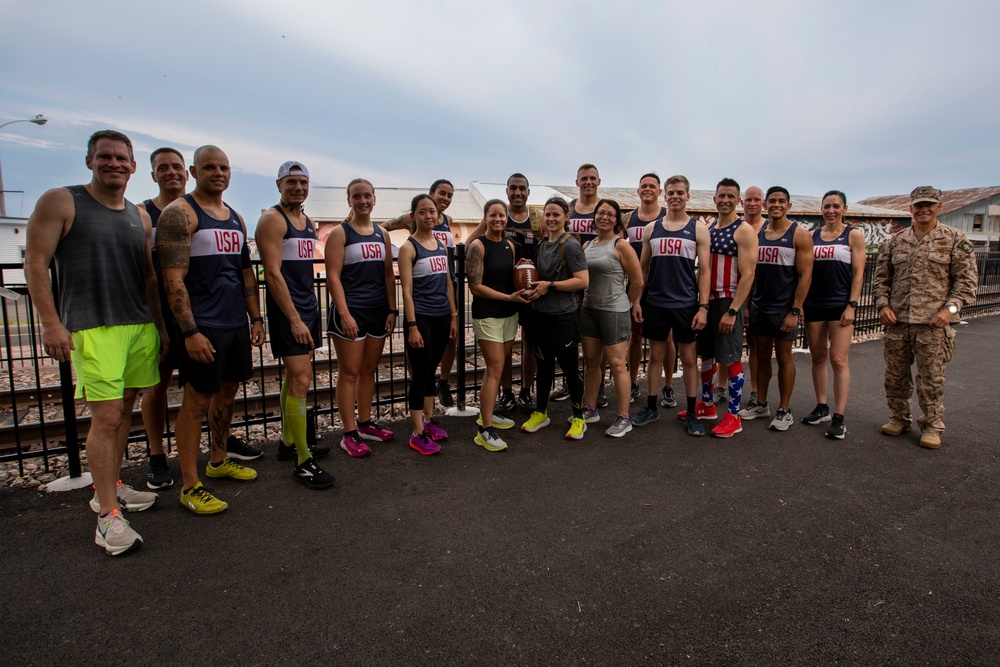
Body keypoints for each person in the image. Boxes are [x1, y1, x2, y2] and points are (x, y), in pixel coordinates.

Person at [25, 130, 163, 555]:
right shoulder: (62, 201)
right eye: (105, 157)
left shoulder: (138, 217)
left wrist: (160, 327)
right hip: (91, 327)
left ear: (133, 166)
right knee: (105, 419)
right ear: (90, 161)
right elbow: (35, 262)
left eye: (122, 158)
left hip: (137, 326)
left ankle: (113, 487)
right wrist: (51, 324)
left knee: (123, 413)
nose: (115, 164)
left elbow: (147, 276)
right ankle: (107, 517)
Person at [156, 145, 265, 515]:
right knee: (196, 400)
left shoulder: (235, 217)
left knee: (228, 391)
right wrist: (189, 332)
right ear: (193, 171)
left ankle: (218, 459)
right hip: (204, 326)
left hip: (235, 323)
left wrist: (256, 318)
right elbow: (173, 280)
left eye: (224, 167)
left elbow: (245, 273)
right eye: (209, 167)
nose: (218, 173)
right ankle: (190, 485)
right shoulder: (180, 214)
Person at [872, 186, 978, 449]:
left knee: (931, 379)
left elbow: (966, 283)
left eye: (929, 204)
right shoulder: (895, 241)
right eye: (918, 205)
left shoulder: (954, 239)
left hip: (933, 324)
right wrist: (883, 305)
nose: (923, 209)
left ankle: (932, 426)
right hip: (898, 322)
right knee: (895, 376)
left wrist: (949, 311)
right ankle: (899, 418)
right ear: (911, 208)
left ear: (939, 207)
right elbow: (881, 280)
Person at [254, 161, 333, 488]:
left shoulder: (307, 220)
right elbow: (272, 274)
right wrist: (294, 318)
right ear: (279, 184)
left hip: (307, 307)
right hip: (290, 311)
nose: (298, 187)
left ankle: (289, 442)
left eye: (303, 182)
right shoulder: (272, 220)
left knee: (295, 376)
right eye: (291, 182)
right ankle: (303, 460)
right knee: (302, 379)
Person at [633, 175, 711, 436]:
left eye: (680, 192)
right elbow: (642, 269)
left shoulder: (698, 228)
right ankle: (652, 407)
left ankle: (691, 412)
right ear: (664, 196)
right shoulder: (651, 229)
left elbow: (705, 271)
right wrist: (636, 300)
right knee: (655, 356)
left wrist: (703, 307)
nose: (675, 196)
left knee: (689, 359)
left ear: (688, 196)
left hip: (686, 303)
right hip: (656, 302)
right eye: (671, 192)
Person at [325, 178, 398, 456]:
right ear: (349, 201)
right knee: (350, 372)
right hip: (351, 312)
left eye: (367, 195)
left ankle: (365, 423)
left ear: (374, 198)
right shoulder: (340, 233)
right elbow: (333, 276)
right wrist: (344, 314)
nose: (363, 201)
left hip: (378, 311)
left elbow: (388, 275)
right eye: (357, 196)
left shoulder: (382, 233)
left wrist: (392, 310)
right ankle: (349, 433)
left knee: (368, 371)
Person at [681, 178, 757, 438]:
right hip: (708, 299)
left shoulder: (743, 230)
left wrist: (733, 310)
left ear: (738, 200)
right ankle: (707, 404)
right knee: (707, 354)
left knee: (732, 357)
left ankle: (734, 416)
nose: (725, 200)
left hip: (727, 299)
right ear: (714, 199)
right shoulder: (710, 227)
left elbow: (748, 275)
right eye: (721, 195)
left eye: (730, 196)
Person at [739, 186, 813, 431]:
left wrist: (795, 310)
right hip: (760, 306)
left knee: (783, 358)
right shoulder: (757, 234)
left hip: (783, 309)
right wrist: (748, 307)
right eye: (772, 201)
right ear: (765, 205)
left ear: (789, 205)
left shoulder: (798, 234)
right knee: (760, 356)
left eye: (781, 201)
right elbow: (751, 273)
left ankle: (784, 409)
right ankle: (761, 403)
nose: (776, 205)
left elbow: (805, 276)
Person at [464, 173, 539, 415]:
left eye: (522, 188)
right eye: (513, 188)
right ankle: (506, 395)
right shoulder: (493, 223)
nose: (518, 192)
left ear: (528, 191)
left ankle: (526, 391)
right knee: (500, 358)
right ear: (507, 191)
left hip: (527, 290)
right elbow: (468, 248)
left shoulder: (535, 221)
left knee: (528, 341)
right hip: (500, 297)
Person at [137, 147, 189, 490]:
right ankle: (157, 456)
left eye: (176, 167)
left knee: (205, 387)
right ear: (153, 174)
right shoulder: (143, 214)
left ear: (188, 172)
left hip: (198, 312)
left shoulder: (197, 209)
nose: (171, 172)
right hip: (157, 312)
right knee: (156, 386)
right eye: (163, 168)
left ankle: (218, 447)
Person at [385, 180, 459, 408]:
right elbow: (384, 227)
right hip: (422, 298)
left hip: (444, 291)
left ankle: (440, 386)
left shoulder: (447, 221)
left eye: (449, 195)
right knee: (420, 361)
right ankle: (417, 390)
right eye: (441, 193)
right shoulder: (411, 221)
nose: (445, 198)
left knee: (447, 345)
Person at [521, 197, 590, 439]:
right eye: (547, 215)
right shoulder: (542, 243)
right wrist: (526, 267)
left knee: (571, 369)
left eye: (556, 215)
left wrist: (550, 285)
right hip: (539, 316)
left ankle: (579, 418)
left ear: (566, 217)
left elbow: (583, 281)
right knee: (544, 366)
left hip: (563, 317)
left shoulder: (570, 245)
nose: (551, 219)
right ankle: (541, 412)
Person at [802, 190, 866, 440]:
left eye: (836, 206)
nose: (831, 211)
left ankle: (839, 416)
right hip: (815, 304)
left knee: (838, 359)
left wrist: (852, 305)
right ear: (821, 209)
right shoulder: (812, 236)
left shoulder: (853, 235)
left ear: (845, 209)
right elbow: (805, 272)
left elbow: (859, 273)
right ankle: (822, 407)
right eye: (827, 206)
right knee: (817, 357)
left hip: (840, 305)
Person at [398, 194, 458, 455]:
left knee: (431, 370)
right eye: (422, 212)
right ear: (414, 216)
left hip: (442, 316)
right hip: (420, 317)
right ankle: (416, 432)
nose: (428, 216)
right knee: (420, 374)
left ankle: (429, 421)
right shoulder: (408, 248)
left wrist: (454, 315)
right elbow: (407, 291)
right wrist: (412, 326)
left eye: (432, 211)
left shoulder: (441, 246)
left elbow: (447, 284)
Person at [466, 199, 526, 450]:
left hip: (509, 314)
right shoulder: (477, 246)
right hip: (488, 314)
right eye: (493, 215)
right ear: (485, 218)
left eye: (502, 215)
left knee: (501, 367)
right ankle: (485, 429)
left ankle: (486, 413)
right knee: (495, 367)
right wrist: (508, 297)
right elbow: (475, 287)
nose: (498, 219)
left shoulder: (510, 246)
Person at [580, 199, 644, 437]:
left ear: (617, 220)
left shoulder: (621, 245)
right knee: (590, 362)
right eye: (600, 213)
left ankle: (623, 417)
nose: (604, 217)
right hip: (589, 309)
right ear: (594, 217)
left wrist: (626, 303)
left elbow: (637, 281)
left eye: (609, 214)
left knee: (617, 364)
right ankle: (590, 408)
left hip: (614, 311)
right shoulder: (587, 244)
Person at [623, 173, 676, 408]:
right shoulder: (628, 219)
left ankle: (668, 385)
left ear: (659, 192)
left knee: (667, 338)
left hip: (662, 284)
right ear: (638, 191)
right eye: (643, 185)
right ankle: (633, 382)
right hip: (636, 285)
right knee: (634, 336)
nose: (647, 189)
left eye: (652, 186)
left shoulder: (668, 216)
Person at [552, 164, 602, 404]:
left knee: (595, 339)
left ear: (599, 181)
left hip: (597, 279)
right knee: (571, 337)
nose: (588, 182)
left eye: (592, 178)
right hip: (570, 281)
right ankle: (569, 382)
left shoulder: (603, 208)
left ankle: (597, 387)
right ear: (577, 182)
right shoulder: (569, 208)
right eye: (584, 178)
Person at [740, 186, 767, 406]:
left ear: (763, 203)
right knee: (729, 344)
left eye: (757, 199)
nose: (752, 203)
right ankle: (721, 386)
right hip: (738, 293)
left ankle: (756, 391)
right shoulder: (737, 226)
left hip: (762, 295)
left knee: (756, 345)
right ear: (742, 202)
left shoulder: (769, 228)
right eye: (748, 199)